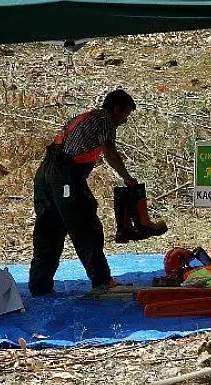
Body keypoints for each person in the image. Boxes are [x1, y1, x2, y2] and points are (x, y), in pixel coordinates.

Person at [28, 89, 138, 295]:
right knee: (86, 224)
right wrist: (127, 178)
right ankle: (102, 282)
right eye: (125, 115)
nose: (124, 122)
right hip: (63, 174)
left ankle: (39, 285)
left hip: (46, 172)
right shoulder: (104, 119)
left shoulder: (86, 117)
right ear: (116, 109)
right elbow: (111, 154)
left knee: (49, 227)